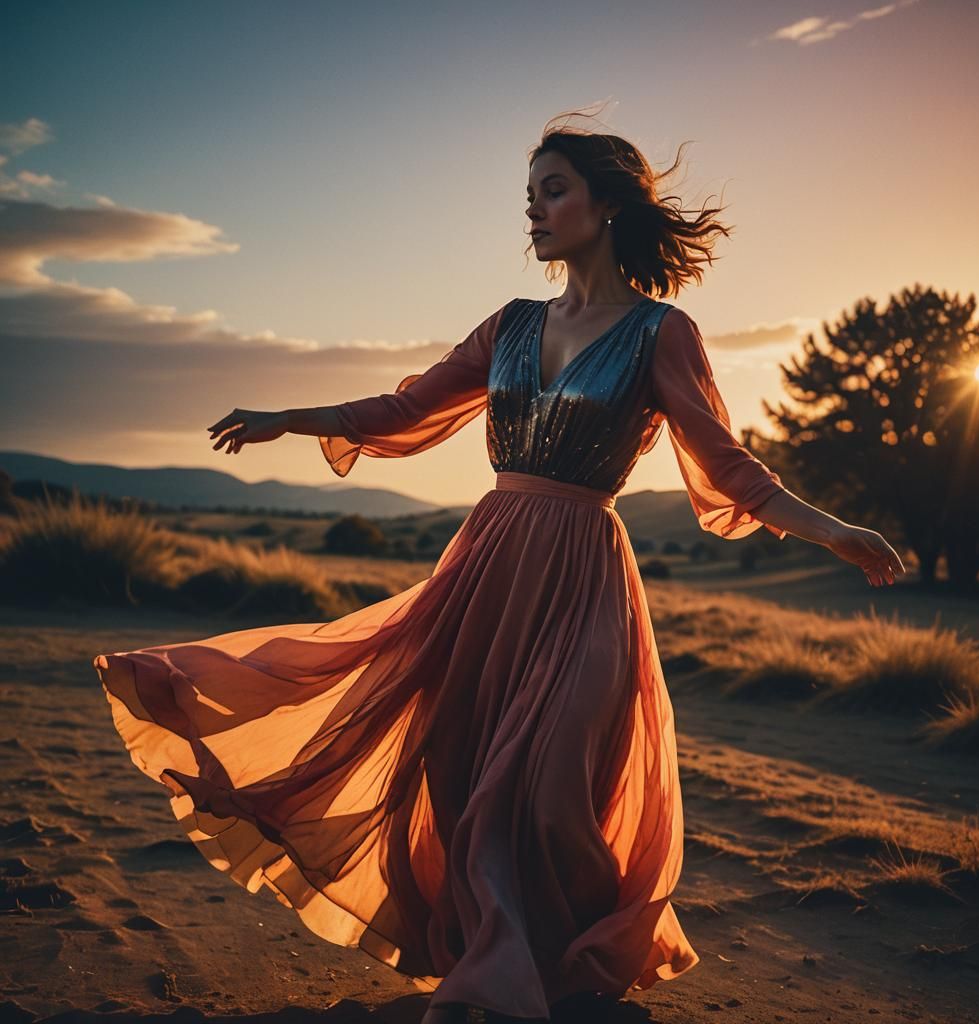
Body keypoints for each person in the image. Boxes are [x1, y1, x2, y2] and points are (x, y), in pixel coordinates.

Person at [94, 118, 905, 1024]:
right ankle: (496, 966)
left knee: (552, 779)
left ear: (606, 204)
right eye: (530, 197)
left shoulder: (661, 334)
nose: (536, 210)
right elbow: (406, 405)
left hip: (583, 579)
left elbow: (732, 469)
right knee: (460, 761)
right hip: (488, 567)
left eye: (553, 190)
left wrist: (835, 531)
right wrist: (289, 416)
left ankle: (550, 965)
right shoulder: (512, 326)